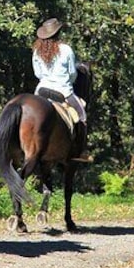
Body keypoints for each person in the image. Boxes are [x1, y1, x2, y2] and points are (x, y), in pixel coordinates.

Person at [32, 18, 91, 162]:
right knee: (82, 116)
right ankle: (82, 151)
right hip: (63, 92)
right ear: (58, 33)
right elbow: (72, 73)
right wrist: (68, 82)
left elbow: (37, 74)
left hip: (41, 92)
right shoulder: (66, 49)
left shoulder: (36, 52)